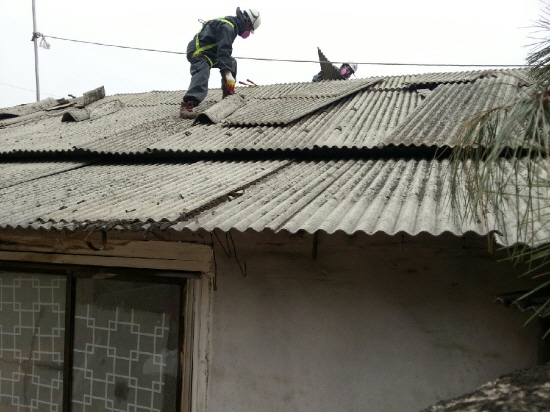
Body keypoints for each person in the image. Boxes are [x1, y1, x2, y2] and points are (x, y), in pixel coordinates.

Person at [180, 7, 261, 119]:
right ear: (247, 22)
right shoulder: (228, 26)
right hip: (200, 51)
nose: (247, 32)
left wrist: (228, 71)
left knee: (231, 63)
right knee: (203, 69)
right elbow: (224, 50)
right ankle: (188, 104)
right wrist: (228, 74)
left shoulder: (231, 25)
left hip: (211, 53)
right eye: (250, 28)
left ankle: (228, 94)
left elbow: (224, 53)